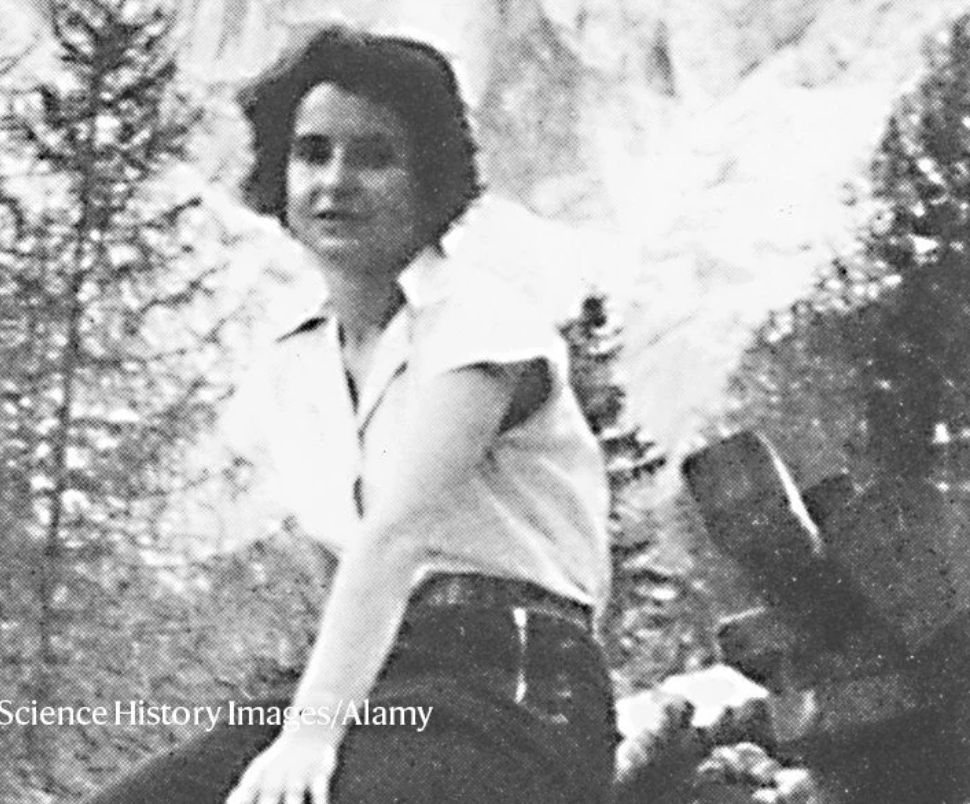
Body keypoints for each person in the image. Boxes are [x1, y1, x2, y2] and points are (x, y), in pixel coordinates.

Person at [88, 26, 618, 804]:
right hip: (388, 680)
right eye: (312, 152)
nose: (336, 180)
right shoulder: (295, 362)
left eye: (374, 156)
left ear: (428, 179)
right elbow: (338, 569)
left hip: (518, 681)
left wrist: (310, 732)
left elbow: (396, 535)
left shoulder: (481, 323)